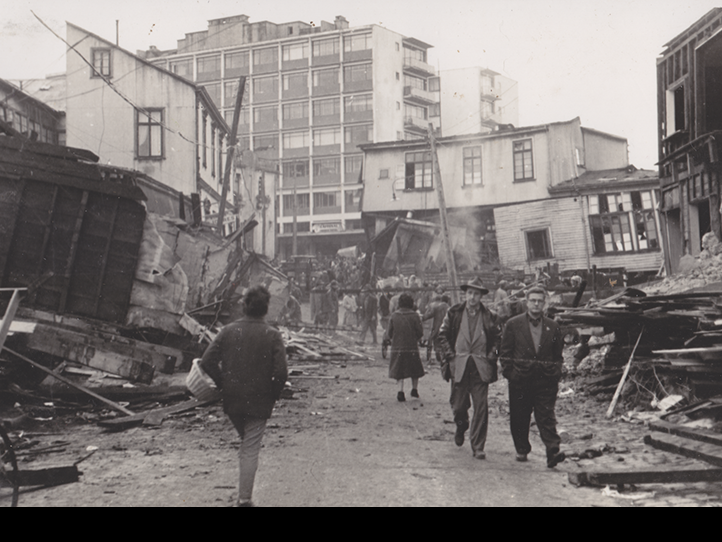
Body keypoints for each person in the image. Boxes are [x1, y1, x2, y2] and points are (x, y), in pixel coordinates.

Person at [199, 286, 288, 507]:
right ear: (266, 309)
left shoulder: (228, 331)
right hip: (260, 400)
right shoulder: (273, 335)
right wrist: (273, 394)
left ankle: (244, 493)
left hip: (233, 400)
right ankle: (245, 499)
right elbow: (281, 372)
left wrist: (223, 384)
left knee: (247, 443)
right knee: (250, 447)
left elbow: (206, 361)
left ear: (244, 306)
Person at [499, 286, 566, 468]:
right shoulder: (513, 324)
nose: (536, 304)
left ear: (544, 304)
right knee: (520, 416)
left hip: (545, 380)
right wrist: (510, 374)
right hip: (520, 379)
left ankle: (552, 451)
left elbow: (557, 355)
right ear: (526, 302)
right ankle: (522, 449)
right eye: (533, 300)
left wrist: (555, 373)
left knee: (546, 416)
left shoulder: (553, 327)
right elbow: (505, 353)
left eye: (540, 301)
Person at [438, 277, 499, 460]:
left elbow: (497, 338)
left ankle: (478, 446)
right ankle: (461, 425)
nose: (472, 297)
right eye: (470, 293)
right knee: (458, 407)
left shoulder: (489, 316)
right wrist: (450, 355)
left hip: (481, 369)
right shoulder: (454, 312)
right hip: (459, 367)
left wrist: (492, 354)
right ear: (465, 294)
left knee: (481, 407)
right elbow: (442, 335)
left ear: (481, 296)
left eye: (476, 294)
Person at [385, 293, 424, 402]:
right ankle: (414, 390)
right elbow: (420, 332)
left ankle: (400, 391)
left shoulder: (394, 315)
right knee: (415, 368)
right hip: (411, 346)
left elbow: (389, 333)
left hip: (398, 346)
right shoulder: (415, 315)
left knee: (399, 368)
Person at [422, 286, 450, 362]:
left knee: (433, 341)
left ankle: (430, 357)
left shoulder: (434, 306)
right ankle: (442, 357)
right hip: (445, 326)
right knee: (442, 342)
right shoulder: (449, 307)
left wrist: (422, 318)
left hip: (435, 326)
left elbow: (428, 315)